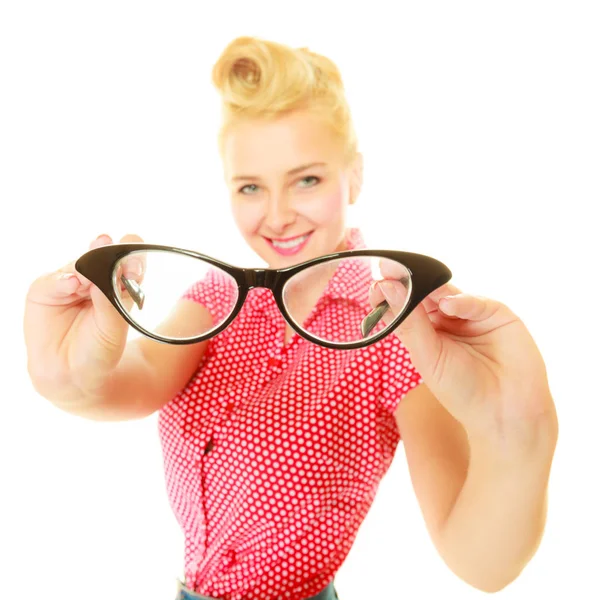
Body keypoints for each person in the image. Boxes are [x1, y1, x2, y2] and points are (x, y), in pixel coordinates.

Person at [24, 36, 559, 600]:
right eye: (251, 187)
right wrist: (68, 375)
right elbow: (125, 384)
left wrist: (519, 438)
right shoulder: (214, 297)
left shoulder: (392, 332)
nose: (277, 216)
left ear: (353, 176)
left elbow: (480, 560)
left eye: (307, 179)